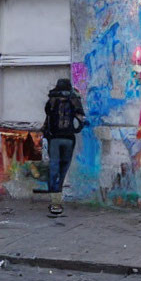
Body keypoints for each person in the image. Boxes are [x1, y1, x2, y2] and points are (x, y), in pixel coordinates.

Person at [41, 78, 87, 217]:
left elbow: (47, 116)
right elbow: (81, 120)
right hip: (69, 139)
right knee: (63, 169)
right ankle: (57, 197)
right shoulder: (74, 99)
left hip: (54, 138)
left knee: (54, 167)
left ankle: (55, 201)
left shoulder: (52, 100)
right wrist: (74, 129)